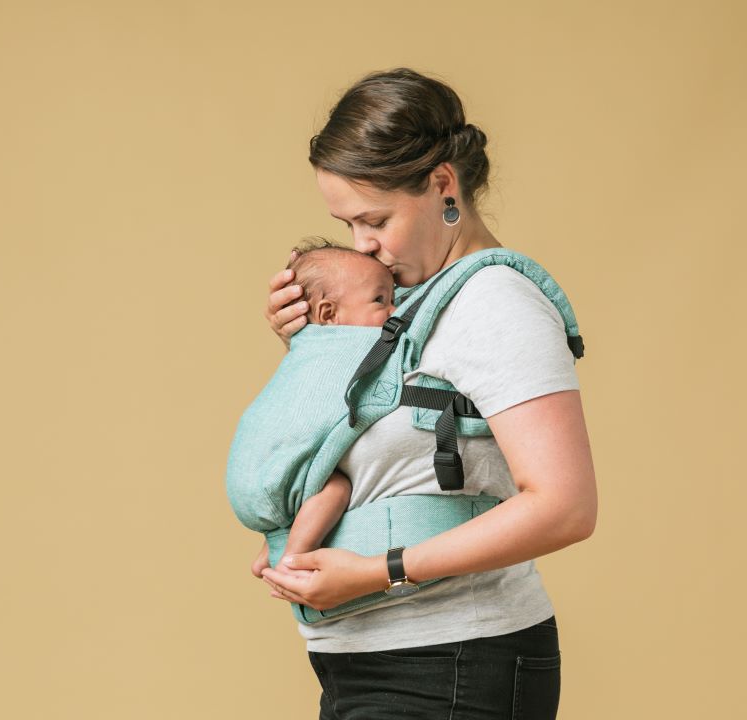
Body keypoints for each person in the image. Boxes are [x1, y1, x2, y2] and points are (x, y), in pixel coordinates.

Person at [257, 67, 597, 719]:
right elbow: (390, 459)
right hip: (378, 664)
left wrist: (378, 571)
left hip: (451, 665)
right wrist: (313, 351)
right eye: (347, 224)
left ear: (443, 184)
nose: (365, 247)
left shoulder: (496, 304)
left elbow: (566, 506)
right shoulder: (405, 305)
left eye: (375, 219)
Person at [248, 238, 398, 580]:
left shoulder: (310, 349)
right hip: (276, 473)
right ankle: (292, 559)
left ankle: (268, 552)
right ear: (329, 314)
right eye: (381, 301)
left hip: (255, 467)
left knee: (301, 481)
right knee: (334, 487)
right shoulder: (357, 347)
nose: (394, 311)